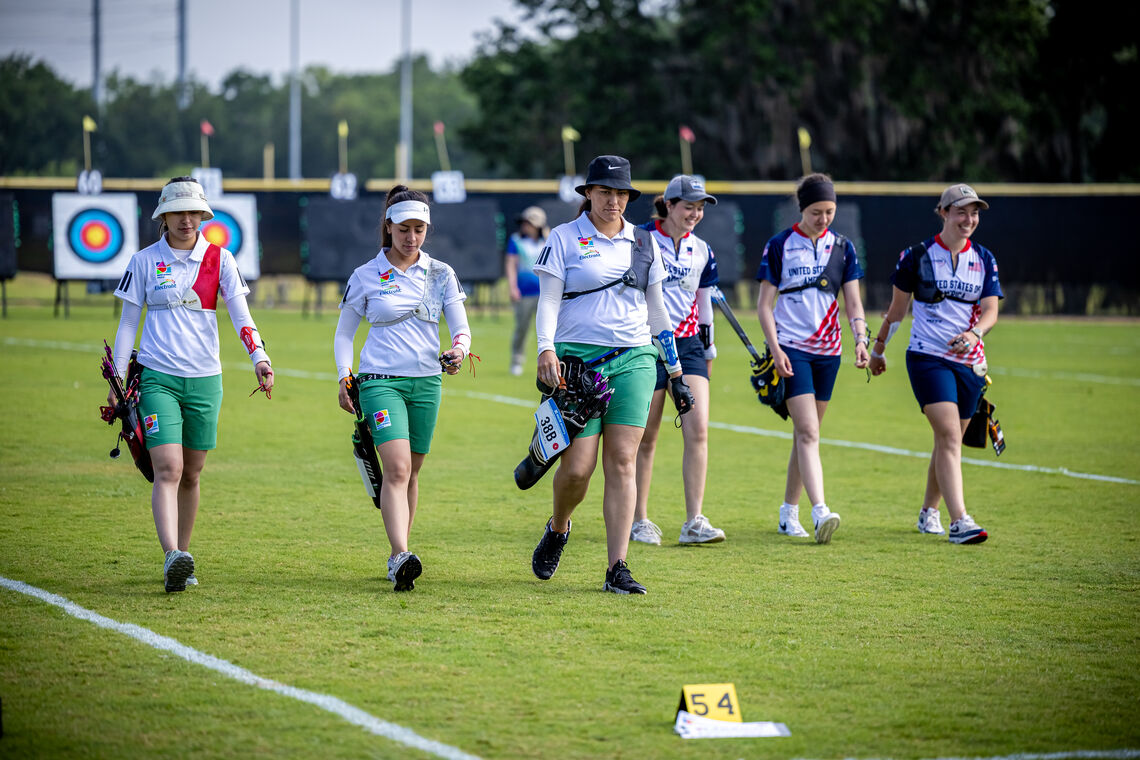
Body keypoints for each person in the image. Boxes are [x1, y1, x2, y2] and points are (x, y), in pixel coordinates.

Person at [530, 155, 694, 595]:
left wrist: (675, 370)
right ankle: (559, 526)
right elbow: (547, 300)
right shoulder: (564, 238)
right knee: (578, 469)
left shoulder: (643, 242)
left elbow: (658, 311)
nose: (613, 201)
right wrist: (546, 348)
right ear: (588, 194)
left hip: (636, 360)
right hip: (577, 364)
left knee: (623, 461)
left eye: (621, 194)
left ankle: (617, 568)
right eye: (605, 192)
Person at [109, 176, 274, 593]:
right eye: (178, 212)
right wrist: (118, 379)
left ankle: (182, 555)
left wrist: (260, 357)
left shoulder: (221, 259)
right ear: (163, 216)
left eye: (194, 212)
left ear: (203, 215)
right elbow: (129, 322)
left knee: (192, 473)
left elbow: (241, 317)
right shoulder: (144, 261)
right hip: (157, 376)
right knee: (169, 467)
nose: (187, 220)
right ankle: (172, 556)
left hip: (205, 379)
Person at [334, 185, 471, 591]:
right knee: (396, 469)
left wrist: (459, 350)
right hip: (379, 382)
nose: (411, 237)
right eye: (404, 228)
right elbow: (344, 335)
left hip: (427, 382)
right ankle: (399, 554)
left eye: (419, 229)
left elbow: (460, 327)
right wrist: (345, 374)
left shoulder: (441, 273)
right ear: (388, 226)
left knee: (412, 472)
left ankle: (401, 554)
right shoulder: (366, 275)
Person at [868, 183, 1000, 544]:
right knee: (948, 436)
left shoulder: (984, 259)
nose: (969, 219)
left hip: (971, 364)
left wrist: (975, 334)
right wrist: (878, 351)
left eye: (974, 213)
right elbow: (897, 312)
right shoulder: (917, 256)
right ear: (943, 213)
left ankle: (929, 512)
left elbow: (990, 310)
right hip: (928, 358)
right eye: (961, 211)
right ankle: (960, 521)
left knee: (949, 441)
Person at [756, 173, 870, 543]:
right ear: (802, 208)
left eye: (830, 211)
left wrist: (860, 339)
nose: (824, 219)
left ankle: (788, 513)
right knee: (807, 432)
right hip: (792, 349)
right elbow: (764, 306)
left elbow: (852, 301)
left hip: (829, 353)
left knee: (808, 435)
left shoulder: (843, 247)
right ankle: (820, 510)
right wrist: (775, 350)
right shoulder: (780, 244)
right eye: (817, 211)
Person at [631, 175, 726, 545]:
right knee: (647, 435)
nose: (695, 214)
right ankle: (639, 520)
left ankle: (694, 521)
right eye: (689, 206)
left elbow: (705, 306)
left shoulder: (702, 249)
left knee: (697, 430)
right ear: (669, 205)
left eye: (700, 208)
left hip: (688, 347)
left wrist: (709, 351)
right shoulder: (639, 238)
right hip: (646, 342)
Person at [505, 206, 548, 376]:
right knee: (522, 328)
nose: (525, 226)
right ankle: (517, 361)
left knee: (548, 329)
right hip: (524, 292)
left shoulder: (549, 239)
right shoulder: (516, 240)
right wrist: (512, 287)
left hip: (545, 294)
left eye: (529, 223)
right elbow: (511, 264)